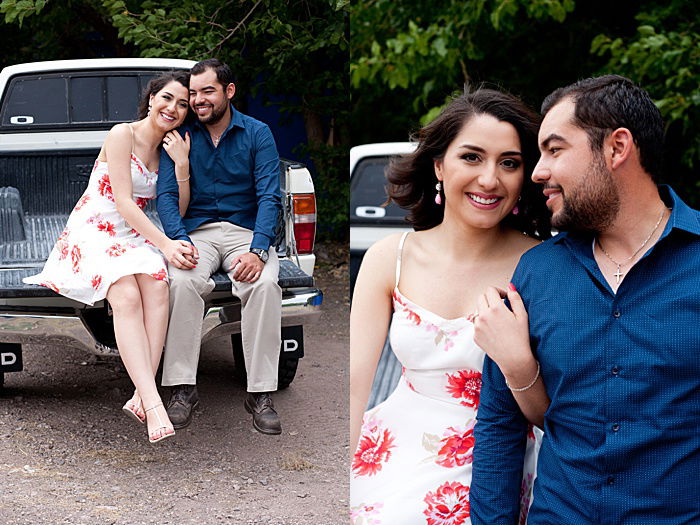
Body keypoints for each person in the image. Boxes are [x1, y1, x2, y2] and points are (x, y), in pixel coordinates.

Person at [471, 75, 700, 524]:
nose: (537, 171)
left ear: (617, 148)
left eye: (555, 150)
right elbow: (500, 426)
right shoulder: (537, 273)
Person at [349, 88, 552, 524]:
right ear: (439, 165)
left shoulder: (543, 267)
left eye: (509, 163)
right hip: (391, 454)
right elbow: (352, 390)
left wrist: (517, 363)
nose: (490, 179)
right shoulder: (391, 257)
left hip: (497, 463)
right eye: (472, 157)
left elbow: (553, 414)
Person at [23, 71, 195, 443]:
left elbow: (174, 209)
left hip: (133, 233)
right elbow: (121, 201)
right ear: (151, 98)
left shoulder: (171, 147)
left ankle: (139, 395)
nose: (173, 108)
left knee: (158, 287)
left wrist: (181, 166)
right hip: (95, 228)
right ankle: (152, 402)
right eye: (167, 98)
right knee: (127, 296)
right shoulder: (123, 134)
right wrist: (165, 245)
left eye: (182, 104)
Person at [156, 58, 283, 435]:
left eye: (207, 91)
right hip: (197, 233)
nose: (198, 100)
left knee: (263, 285)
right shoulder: (180, 135)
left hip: (245, 232)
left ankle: (260, 394)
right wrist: (177, 240)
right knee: (181, 282)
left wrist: (259, 250)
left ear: (229, 91)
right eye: (193, 93)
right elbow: (166, 195)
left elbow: (269, 198)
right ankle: (182, 389)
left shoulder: (258, 133)